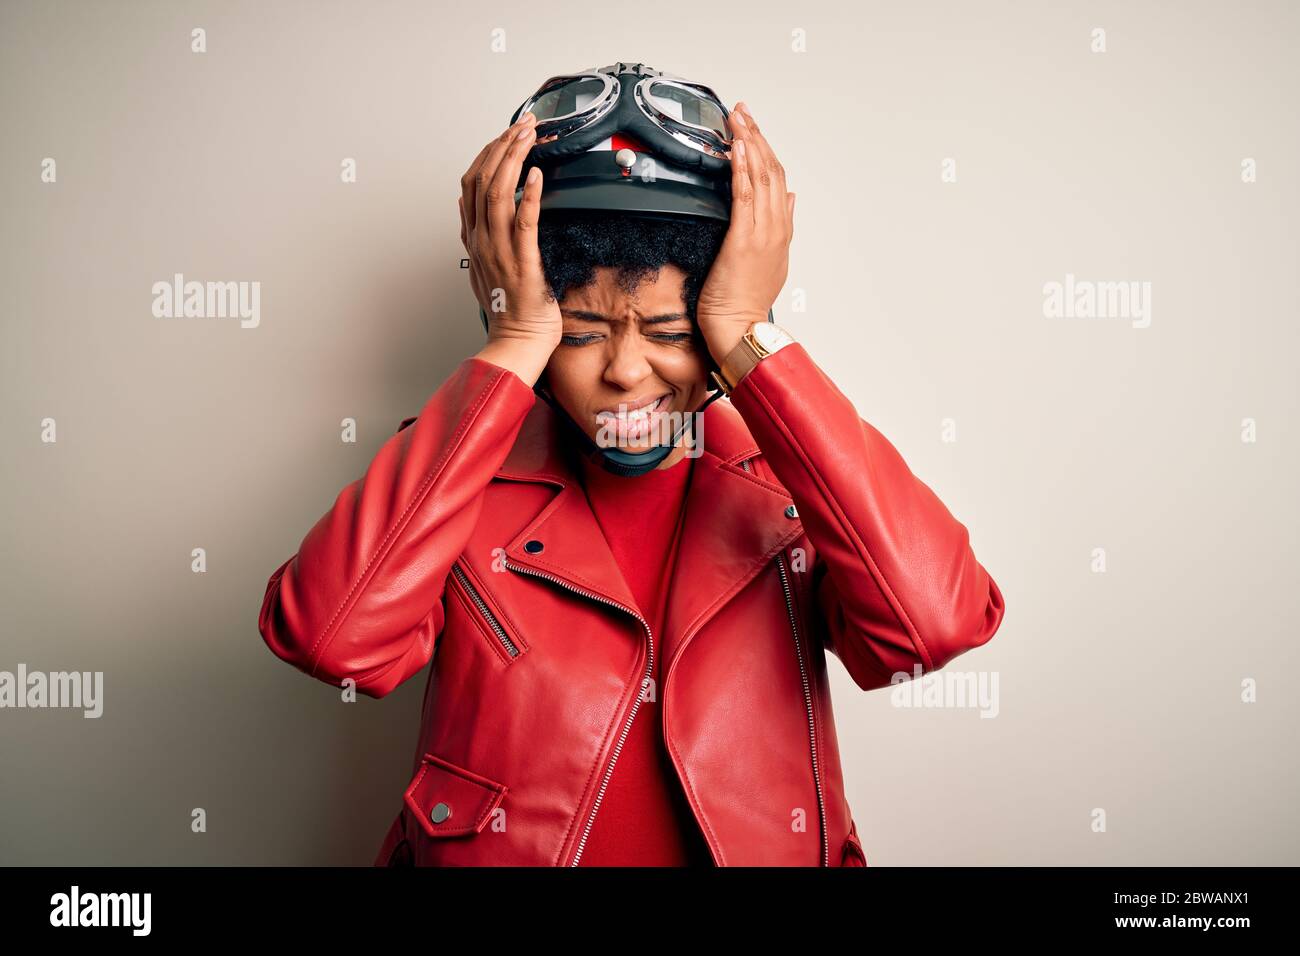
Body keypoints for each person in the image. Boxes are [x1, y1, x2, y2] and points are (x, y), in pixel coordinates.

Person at [258, 63, 1006, 867]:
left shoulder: (797, 486)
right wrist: (511, 346)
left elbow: (931, 626)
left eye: (673, 332)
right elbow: (331, 640)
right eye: (578, 334)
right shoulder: (459, 484)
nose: (624, 372)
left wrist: (749, 337)